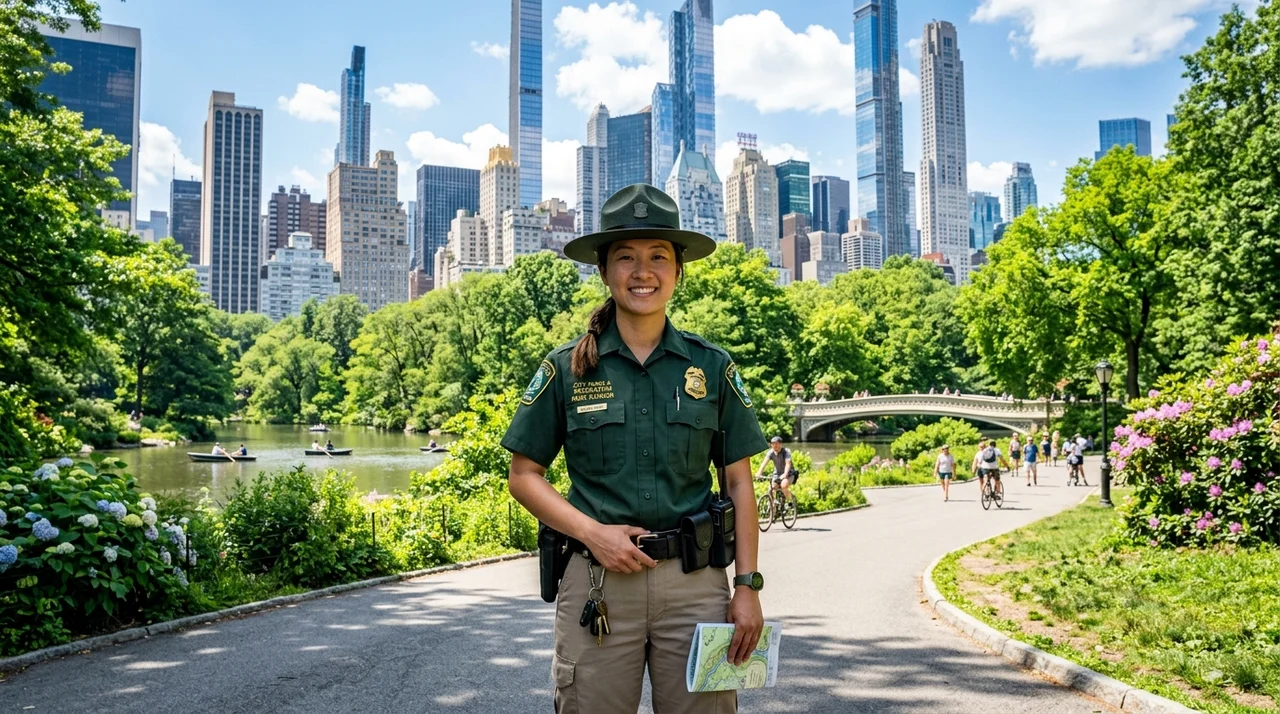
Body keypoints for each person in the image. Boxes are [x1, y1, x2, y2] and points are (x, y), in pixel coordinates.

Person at [502, 184, 767, 714]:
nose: (642, 271)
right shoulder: (567, 370)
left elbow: (740, 484)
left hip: (695, 586)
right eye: (625, 257)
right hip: (597, 584)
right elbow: (523, 474)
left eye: (657, 257)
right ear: (603, 271)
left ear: (678, 271)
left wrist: (747, 587)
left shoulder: (711, 367)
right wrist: (591, 533)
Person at [755, 436, 795, 502]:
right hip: (777, 474)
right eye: (772, 444)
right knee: (771, 489)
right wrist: (759, 472)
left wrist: (785, 474)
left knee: (783, 485)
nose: (774, 446)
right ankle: (773, 508)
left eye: (776, 444)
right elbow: (764, 463)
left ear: (780, 444)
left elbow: (788, 464)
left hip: (789, 474)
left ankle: (791, 501)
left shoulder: (786, 452)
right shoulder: (771, 452)